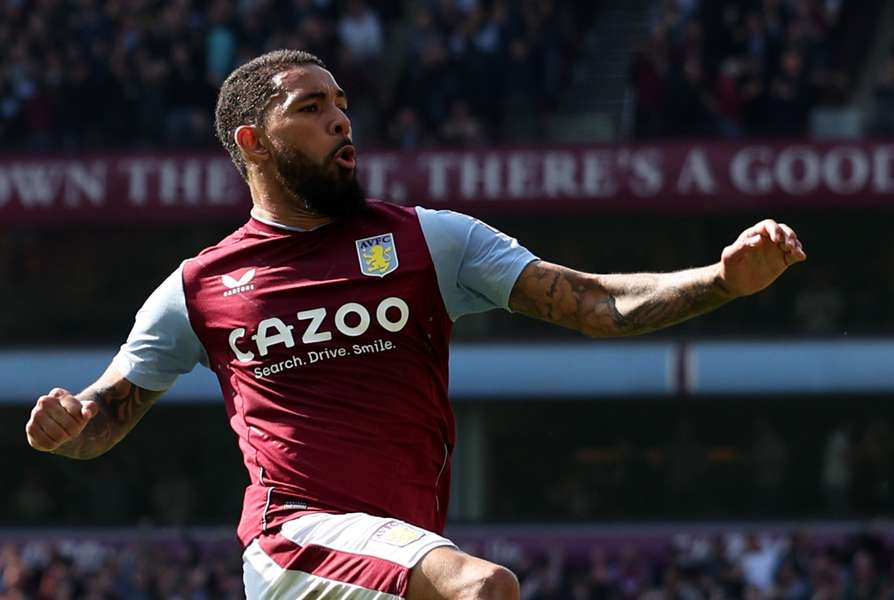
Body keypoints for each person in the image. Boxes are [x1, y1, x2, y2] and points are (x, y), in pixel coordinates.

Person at [24, 50, 806, 600]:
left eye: (342, 106)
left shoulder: (432, 240)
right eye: (312, 108)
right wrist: (68, 423)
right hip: (295, 545)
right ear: (252, 143)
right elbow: (106, 415)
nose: (341, 121)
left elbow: (594, 303)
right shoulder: (200, 286)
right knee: (484, 586)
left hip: (399, 559)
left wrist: (723, 280)